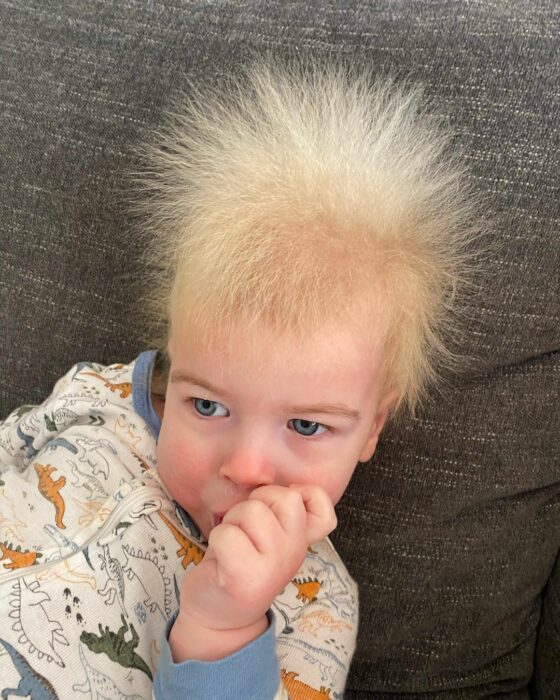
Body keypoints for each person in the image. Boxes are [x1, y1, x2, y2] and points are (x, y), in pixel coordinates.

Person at [0, 60, 482, 699]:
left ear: (374, 426)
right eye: (207, 405)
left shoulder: (316, 607)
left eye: (307, 424)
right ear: (176, 357)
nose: (248, 466)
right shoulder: (96, 395)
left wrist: (223, 627)